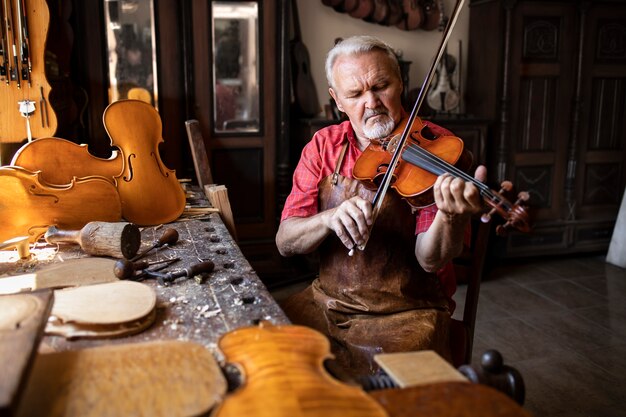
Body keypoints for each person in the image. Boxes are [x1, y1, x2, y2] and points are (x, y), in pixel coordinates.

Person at [276, 35, 487, 376]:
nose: (371, 102)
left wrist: (450, 216)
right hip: (327, 303)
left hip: (408, 314)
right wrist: (328, 218)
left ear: (400, 83)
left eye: (381, 86)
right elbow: (286, 242)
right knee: (270, 362)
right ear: (337, 101)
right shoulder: (323, 146)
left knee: (382, 394)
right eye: (355, 94)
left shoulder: (437, 149)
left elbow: (430, 260)